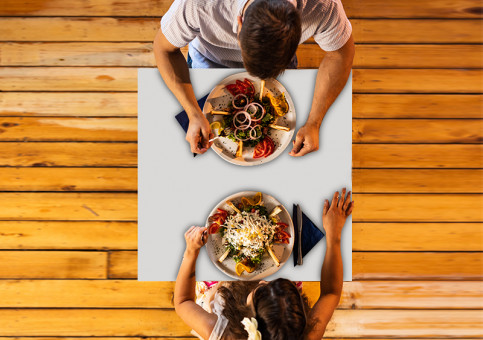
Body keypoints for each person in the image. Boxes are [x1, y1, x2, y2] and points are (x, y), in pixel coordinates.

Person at [154, 0, 355, 156]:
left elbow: (341, 54)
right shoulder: (197, 5)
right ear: (239, 24)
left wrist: (314, 123)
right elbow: (163, 49)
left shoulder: (323, 6)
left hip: (281, 70)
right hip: (208, 61)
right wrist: (193, 113)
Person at [174, 188, 353, 339]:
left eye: (262, 289)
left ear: (249, 319)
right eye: (274, 283)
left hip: (222, 292)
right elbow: (331, 293)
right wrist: (334, 235)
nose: (264, 281)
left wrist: (191, 252)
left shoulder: (224, 333)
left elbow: (182, 302)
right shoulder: (306, 335)